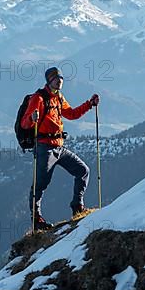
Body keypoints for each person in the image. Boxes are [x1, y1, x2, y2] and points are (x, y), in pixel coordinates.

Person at [20, 66, 100, 230]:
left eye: (61, 78)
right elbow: (24, 123)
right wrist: (31, 118)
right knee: (40, 185)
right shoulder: (39, 98)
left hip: (59, 147)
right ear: (49, 80)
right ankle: (37, 220)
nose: (60, 81)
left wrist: (89, 104)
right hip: (45, 148)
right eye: (56, 78)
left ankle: (77, 206)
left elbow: (71, 114)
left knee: (83, 170)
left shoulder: (59, 98)